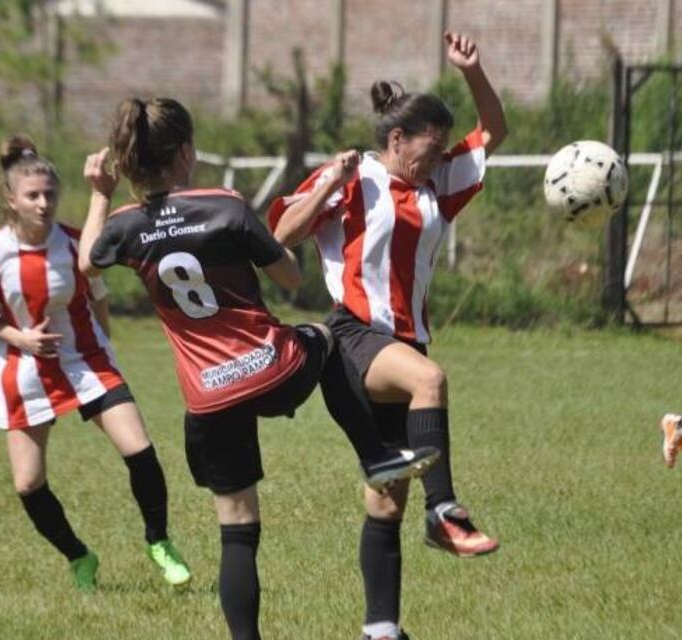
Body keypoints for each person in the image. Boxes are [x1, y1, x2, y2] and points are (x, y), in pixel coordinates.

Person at [77, 98, 437, 640]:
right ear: (185, 152)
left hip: (207, 396)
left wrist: (100, 196)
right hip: (273, 369)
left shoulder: (126, 226)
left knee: (238, 528)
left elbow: (87, 262)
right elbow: (290, 278)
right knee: (332, 336)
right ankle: (376, 456)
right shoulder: (224, 205)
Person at [269, 32, 507, 640]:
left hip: (404, 343)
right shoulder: (356, 176)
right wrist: (329, 182)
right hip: (354, 337)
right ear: (396, 139)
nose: (435, 161)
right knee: (431, 381)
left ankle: (380, 630)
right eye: (427, 150)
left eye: (438, 154)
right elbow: (284, 237)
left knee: (385, 499)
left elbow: (493, 131)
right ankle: (446, 511)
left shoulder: (435, 188)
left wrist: (473, 72)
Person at [0, 134, 191, 592]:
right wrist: (20, 338)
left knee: (141, 450)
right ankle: (79, 556)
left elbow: (99, 298)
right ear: (11, 199)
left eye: (50, 193)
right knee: (28, 484)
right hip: (26, 370)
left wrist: (102, 345)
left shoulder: (73, 244)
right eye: (33, 195)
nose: (44, 203)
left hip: (87, 361)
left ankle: (159, 541)